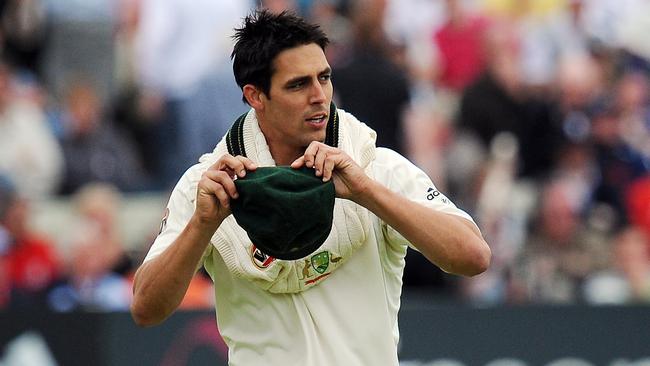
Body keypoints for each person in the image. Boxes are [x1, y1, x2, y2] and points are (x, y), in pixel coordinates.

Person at [131, 10, 490, 365]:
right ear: (255, 96)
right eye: (298, 84)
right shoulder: (210, 184)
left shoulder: (376, 168)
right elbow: (146, 310)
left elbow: (474, 257)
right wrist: (202, 224)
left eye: (324, 77)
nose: (320, 96)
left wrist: (366, 192)